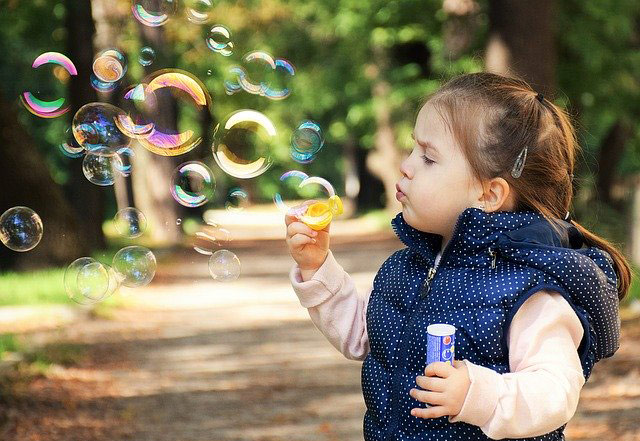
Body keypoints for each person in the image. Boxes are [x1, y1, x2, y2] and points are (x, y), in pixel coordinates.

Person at [285, 72, 630, 441]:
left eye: (429, 158)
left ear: (489, 194)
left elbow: (554, 391)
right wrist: (317, 267)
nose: (406, 165)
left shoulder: (528, 289)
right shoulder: (408, 267)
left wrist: (477, 393)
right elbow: (365, 336)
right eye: (413, 148)